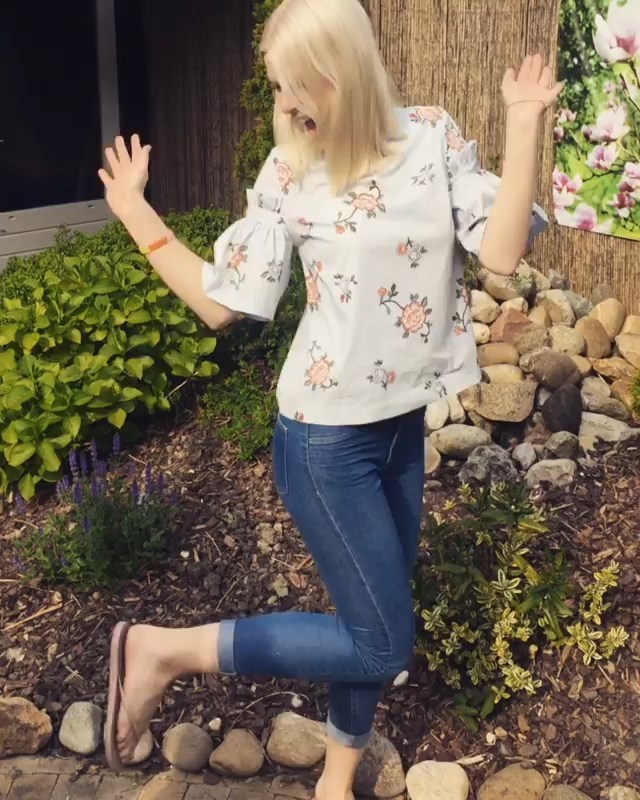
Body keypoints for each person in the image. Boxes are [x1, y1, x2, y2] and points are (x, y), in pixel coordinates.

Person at [100, 0, 561, 795]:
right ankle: (164, 650)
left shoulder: (431, 137)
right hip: (323, 442)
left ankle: (333, 783)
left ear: (336, 72)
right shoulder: (290, 170)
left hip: (399, 427)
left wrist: (523, 125)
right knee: (382, 641)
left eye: (290, 84)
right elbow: (220, 304)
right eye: (276, 84)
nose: (281, 102)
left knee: (367, 621)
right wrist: (137, 213)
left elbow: (501, 249)